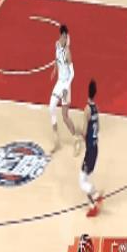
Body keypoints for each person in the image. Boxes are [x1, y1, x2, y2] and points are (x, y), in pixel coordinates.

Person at [49, 25, 82, 155]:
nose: (63, 39)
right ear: (60, 36)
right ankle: (56, 140)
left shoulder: (68, 52)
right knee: (51, 107)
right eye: (62, 36)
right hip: (59, 82)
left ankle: (76, 139)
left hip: (66, 85)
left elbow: (73, 73)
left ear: (66, 37)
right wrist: (54, 69)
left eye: (65, 37)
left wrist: (66, 88)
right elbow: (56, 59)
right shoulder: (57, 45)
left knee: (64, 116)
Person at [79, 79, 103, 217]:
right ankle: (93, 204)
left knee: (82, 181)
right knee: (85, 178)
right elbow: (98, 128)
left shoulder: (87, 109)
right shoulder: (96, 109)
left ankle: (96, 196)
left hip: (90, 151)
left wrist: (79, 135)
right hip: (95, 148)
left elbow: (83, 131)